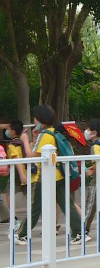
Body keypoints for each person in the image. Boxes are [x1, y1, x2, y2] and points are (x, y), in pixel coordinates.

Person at [15, 105, 84, 245]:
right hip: (59, 176)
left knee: (35, 207)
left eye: (35, 118)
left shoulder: (45, 135)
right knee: (67, 205)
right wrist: (34, 137)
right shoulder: (54, 132)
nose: (34, 121)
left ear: (41, 119)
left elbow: (31, 155)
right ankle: (79, 233)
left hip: (46, 177)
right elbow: (39, 150)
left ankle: (21, 234)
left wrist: (24, 140)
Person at [1, 120, 27, 225]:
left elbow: (15, 160)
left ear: (13, 131)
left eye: (8, 129)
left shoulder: (12, 145)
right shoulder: (22, 142)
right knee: (30, 196)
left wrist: (20, 175)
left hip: (17, 174)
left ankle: (14, 219)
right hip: (26, 172)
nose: (6, 131)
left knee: (9, 194)